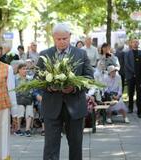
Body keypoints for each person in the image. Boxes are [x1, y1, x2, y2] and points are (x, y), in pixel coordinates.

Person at [36, 23, 93, 160]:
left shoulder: (81, 54)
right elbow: (37, 79)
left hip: (75, 107)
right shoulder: (45, 54)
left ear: (70, 37)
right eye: (58, 39)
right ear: (53, 38)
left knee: (75, 146)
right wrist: (49, 87)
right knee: (50, 147)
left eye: (65, 38)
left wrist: (74, 87)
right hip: (51, 107)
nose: (62, 42)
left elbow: (89, 78)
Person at [14, 63, 34, 137]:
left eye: (26, 69)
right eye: (23, 69)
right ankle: (18, 129)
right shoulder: (14, 78)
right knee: (21, 109)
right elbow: (13, 90)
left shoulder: (30, 78)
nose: (25, 70)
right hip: (18, 99)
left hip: (28, 99)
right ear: (19, 70)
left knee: (29, 109)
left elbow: (32, 90)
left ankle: (27, 130)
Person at [124, 38, 141, 113]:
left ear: (138, 44)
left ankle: (139, 108)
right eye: (134, 42)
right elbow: (127, 64)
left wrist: (138, 72)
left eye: (137, 42)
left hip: (139, 76)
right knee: (130, 92)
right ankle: (130, 107)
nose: (135, 43)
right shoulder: (127, 53)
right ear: (131, 44)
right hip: (130, 75)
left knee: (139, 92)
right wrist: (134, 72)